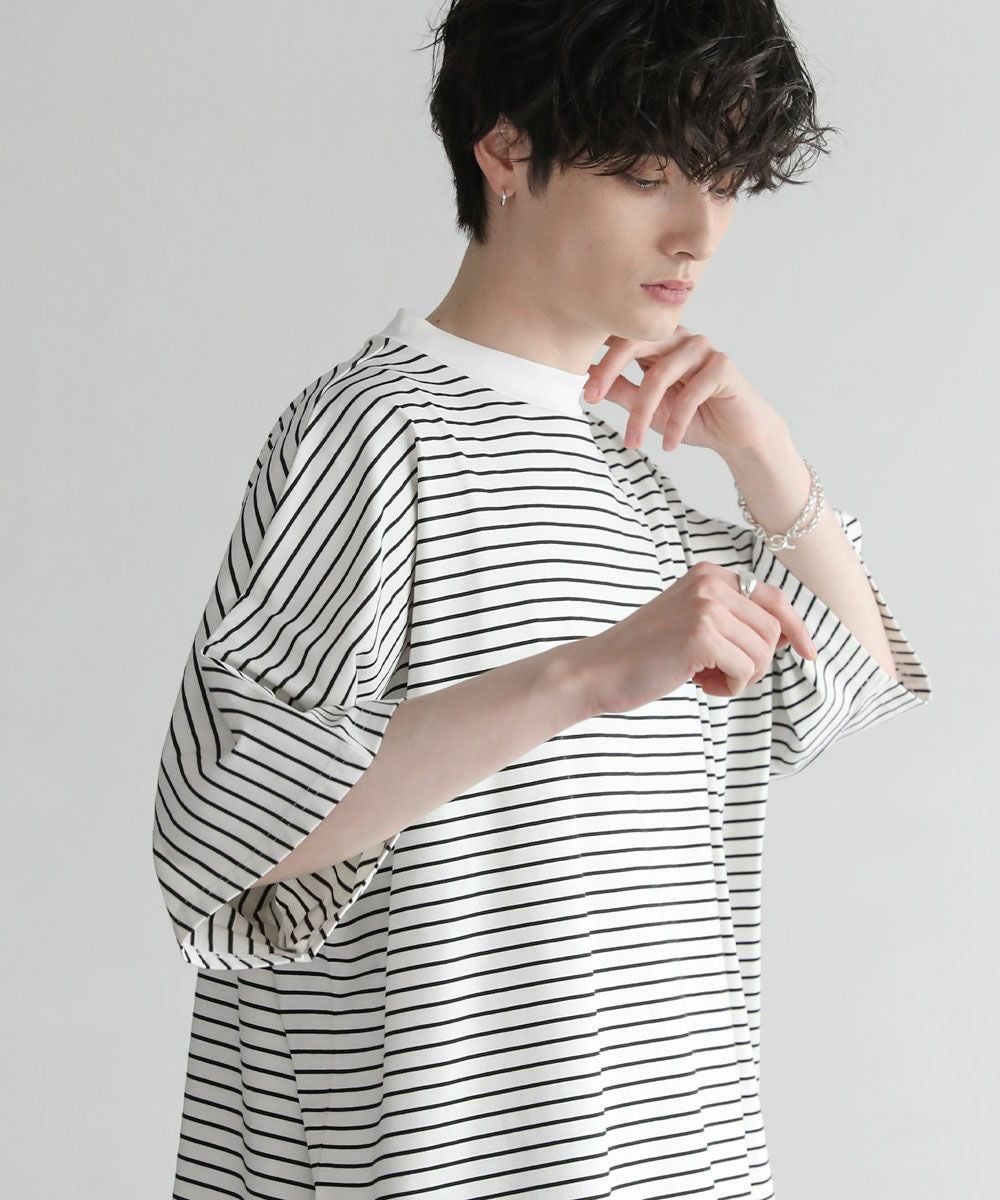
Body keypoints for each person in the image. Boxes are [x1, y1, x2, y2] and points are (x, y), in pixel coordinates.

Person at [153, 2, 933, 1196]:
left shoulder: (630, 475)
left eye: (723, 182)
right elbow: (226, 833)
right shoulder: (375, 434)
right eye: (649, 174)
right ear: (507, 152)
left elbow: (849, 681)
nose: (698, 233)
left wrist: (767, 462)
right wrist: (584, 676)